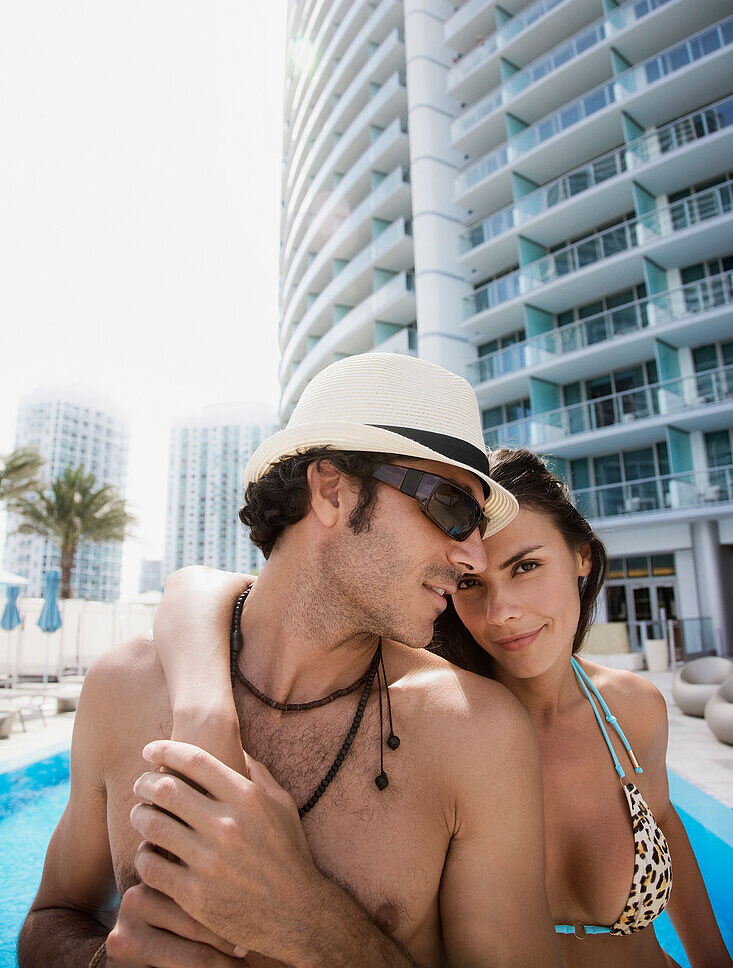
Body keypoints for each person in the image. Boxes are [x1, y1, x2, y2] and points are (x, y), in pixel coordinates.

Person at [19, 354, 560, 968]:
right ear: (331, 490)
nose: (475, 558)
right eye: (453, 511)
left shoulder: (476, 734)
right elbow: (51, 916)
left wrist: (304, 919)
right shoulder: (125, 688)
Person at [156, 448, 732, 968]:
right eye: (473, 584)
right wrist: (206, 707)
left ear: (581, 557)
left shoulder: (632, 712)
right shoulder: (454, 725)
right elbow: (209, 588)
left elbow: (664, 825)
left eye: (526, 567)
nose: (502, 610)